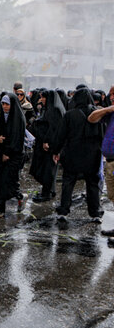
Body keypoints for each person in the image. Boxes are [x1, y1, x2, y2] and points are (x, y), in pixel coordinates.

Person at [54, 88, 104, 224]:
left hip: (72, 153)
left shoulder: (70, 115)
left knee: (68, 182)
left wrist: (56, 151)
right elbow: (102, 135)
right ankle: (95, 213)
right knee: (92, 184)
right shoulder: (97, 113)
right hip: (92, 154)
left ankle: (63, 211)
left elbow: (61, 135)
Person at [0, 93, 28, 219]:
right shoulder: (1, 116)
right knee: (5, 181)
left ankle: (0, 209)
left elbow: (16, 139)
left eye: (7, 104)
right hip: (2, 154)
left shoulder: (18, 119)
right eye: (3, 104)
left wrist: (7, 153)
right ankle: (20, 196)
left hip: (14, 155)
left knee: (5, 182)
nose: (5, 106)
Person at [30, 90, 66, 202]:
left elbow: (54, 129)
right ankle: (49, 190)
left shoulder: (55, 110)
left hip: (50, 146)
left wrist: (47, 141)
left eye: (43, 97)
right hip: (44, 145)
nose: (41, 100)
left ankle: (47, 193)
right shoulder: (48, 109)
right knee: (45, 169)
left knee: (48, 170)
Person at [88, 86, 114, 237]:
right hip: (110, 161)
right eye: (111, 95)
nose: (112, 97)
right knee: (112, 195)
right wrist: (107, 109)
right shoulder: (110, 113)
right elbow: (91, 118)